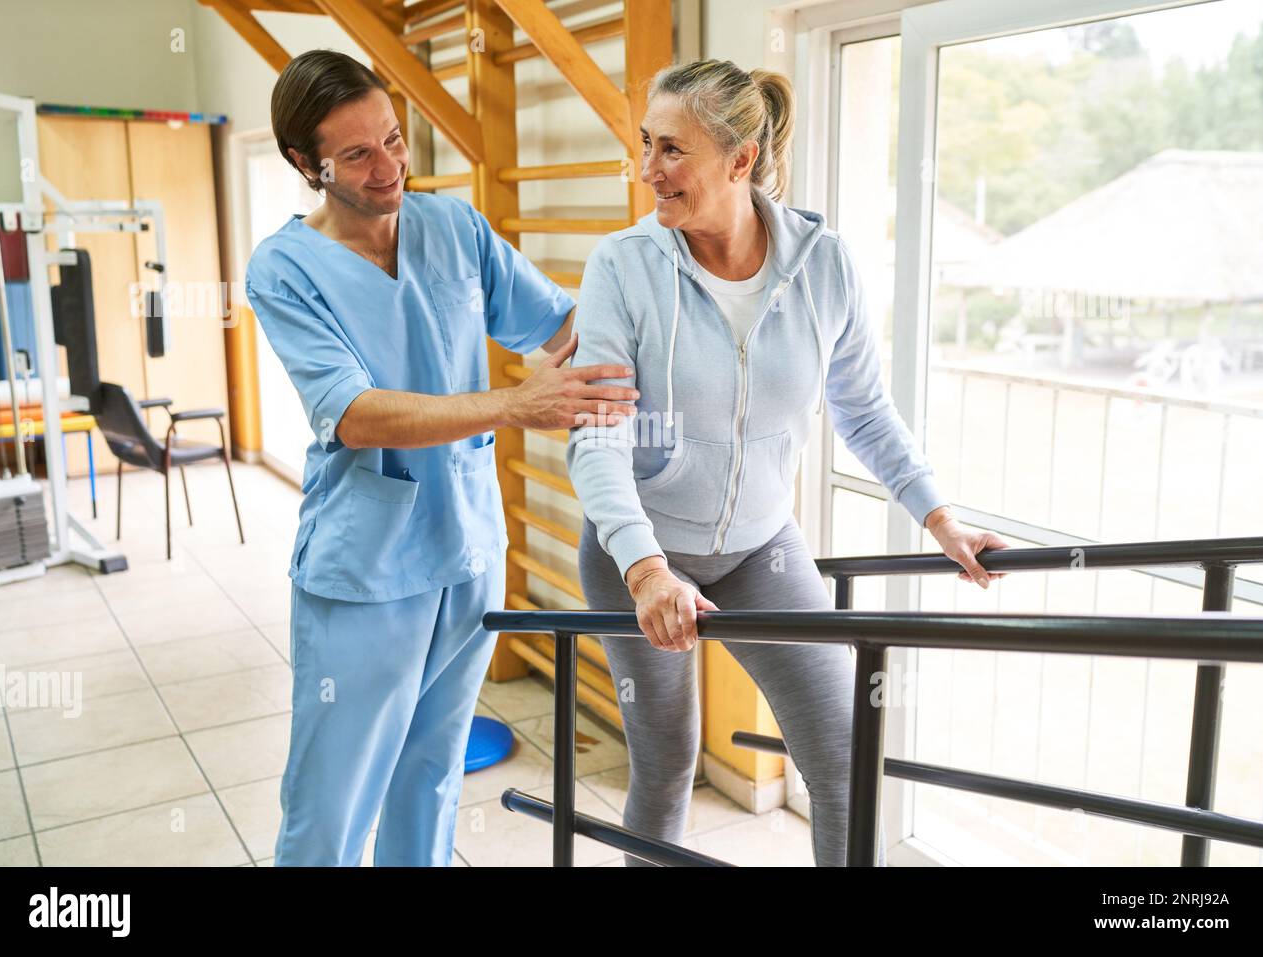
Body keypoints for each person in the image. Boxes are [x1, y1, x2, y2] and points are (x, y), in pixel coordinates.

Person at [566, 58, 1008, 866]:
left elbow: (864, 409)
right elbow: (596, 436)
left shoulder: (823, 263)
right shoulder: (624, 267)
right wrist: (646, 571)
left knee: (843, 755)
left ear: (740, 159)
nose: (647, 170)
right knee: (668, 763)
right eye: (646, 144)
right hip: (637, 552)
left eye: (672, 150)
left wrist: (939, 517)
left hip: (760, 546)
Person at [245, 50, 638, 866]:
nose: (389, 167)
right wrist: (512, 404)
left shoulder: (454, 228)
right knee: (333, 795)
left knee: (429, 777)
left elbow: (562, 329)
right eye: (357, 153)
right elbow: (353, 415)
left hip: (467, 550)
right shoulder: (284, 269)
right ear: (302, 163)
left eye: (394, 139)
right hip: (365, 572)